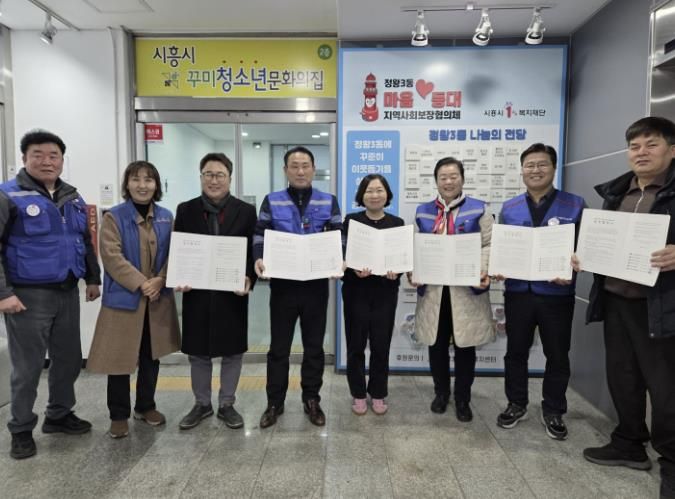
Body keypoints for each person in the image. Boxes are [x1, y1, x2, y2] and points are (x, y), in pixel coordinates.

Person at [574, 117, 675, 499]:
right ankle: (629, 441)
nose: (641, 152)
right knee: (623, 376)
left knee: (666, 389)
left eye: (651, 144)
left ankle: (672, 461)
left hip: (662, 305)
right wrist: (584, 255)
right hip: (617, 300)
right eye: (634, 146)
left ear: (672, 150)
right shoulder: (618, 193)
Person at [0, 130, 101, 459]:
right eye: (38, 155)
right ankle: (20, 428)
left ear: (61, 160)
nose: (46, 161)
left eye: (53, 155)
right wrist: (3, 293)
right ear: (24, 158)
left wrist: (92, 278)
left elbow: (84, 240)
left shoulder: (72, 197)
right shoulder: (8, 195)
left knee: (68, 359)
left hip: (67, 290)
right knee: (28, 366)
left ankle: (58, 414)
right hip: (28, 295)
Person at [494, 143, 585, 441]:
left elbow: (585, 249)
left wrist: (576, 264)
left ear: (554, 168)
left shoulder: (575, 204)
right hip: (518, 292)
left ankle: (554, 410)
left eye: (542, 164)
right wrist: (499, 266)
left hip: (557, 295)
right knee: (515, 352)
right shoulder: (509, 208)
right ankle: (516, 403)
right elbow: (502, 248)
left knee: (557, 354)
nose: (535, 170)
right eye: (529, 165)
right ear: (522, 170)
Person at [87, 161, 180, 439]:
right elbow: (112, 257)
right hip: (125, 300)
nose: (142, 185)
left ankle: (145, 406)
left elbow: (175, 253)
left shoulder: (166, 217)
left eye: (148, 180)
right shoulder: (114, 217)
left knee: (151, 356)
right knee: (119, 359)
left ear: (156, 185)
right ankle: (118, 415)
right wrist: (143, 283)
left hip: (157, 299)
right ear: (127, 184)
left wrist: (161, 279)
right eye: (136, 179)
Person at [254, 146, 342, 428]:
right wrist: (258, 258)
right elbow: (259, 234)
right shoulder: (272, 200)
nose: (300, 171)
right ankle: (274, 402)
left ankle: (312, 399)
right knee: (278, 348)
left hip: (316, 286)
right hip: (283, 286)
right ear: (285, 170)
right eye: (294, 166)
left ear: (313, 169)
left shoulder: (328, 201)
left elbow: (338, 236)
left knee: (314, 347)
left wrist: (338, 260)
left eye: (305, 165)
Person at [174, 153, 257, 430]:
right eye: (208, 174)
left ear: (229, 179)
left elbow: (252, 251)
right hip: (197, 294)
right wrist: (180, 276)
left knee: (232, 352)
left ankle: (227, 404)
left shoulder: (246, 211)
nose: (214, 180)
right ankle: (202, 404)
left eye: (220, 175)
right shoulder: (185, 210)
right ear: (201, 177)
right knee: (198, 353)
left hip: (231, 294)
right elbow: (179, 248)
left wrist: (249, 277)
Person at [409, 157, 494, 423]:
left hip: (466, 292)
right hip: (434, 292)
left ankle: (462, 398)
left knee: (465, 347)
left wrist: (481, 270)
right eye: (443, 177)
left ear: (462, 179)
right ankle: (441, 393)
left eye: (453, 176)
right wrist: (413, 271)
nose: (448, 181)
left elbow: (489, 244)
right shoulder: (423, 211)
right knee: (436, 346)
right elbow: (415, 247)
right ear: (436, 181)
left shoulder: (479, 209)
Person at [341, 174, 403, 415]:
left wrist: (396, 272)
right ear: (361, 195)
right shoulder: (351, 221)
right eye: (369, 191)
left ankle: (378, 393)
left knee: (380, 345)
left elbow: (402, 257)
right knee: (355, 345)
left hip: (385, 292)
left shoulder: (397, 223)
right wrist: (353, 268)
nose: (374, 195)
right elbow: (342, 253)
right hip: (356, 291)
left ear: (387, 194)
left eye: (379, 190)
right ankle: (358, 393)